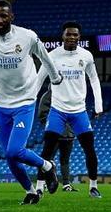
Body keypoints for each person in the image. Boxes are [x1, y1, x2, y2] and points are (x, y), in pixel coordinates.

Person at [0, 0, 62, 204]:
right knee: (10, 156)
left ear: (11, 17)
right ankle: (31, 191)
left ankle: (47, 166)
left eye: (3, 16)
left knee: (14, 150)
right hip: (0, 104)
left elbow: (44, 57)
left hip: (24, 101)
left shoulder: (27, 36)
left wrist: (55, 78)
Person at [35, 21, 105, 198]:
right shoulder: (52, 56)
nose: (72, 37)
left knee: (89, 149)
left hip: (79, 111)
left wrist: (98, 105)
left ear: (79, 37)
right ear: (63, 35)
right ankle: (39, 187)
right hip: (57, 110)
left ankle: (93, 186)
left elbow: (94, 79)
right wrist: (29, 101)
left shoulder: (86, 56)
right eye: (69, 34)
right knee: (47, 150)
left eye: (75, 34)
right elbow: (38, 80)